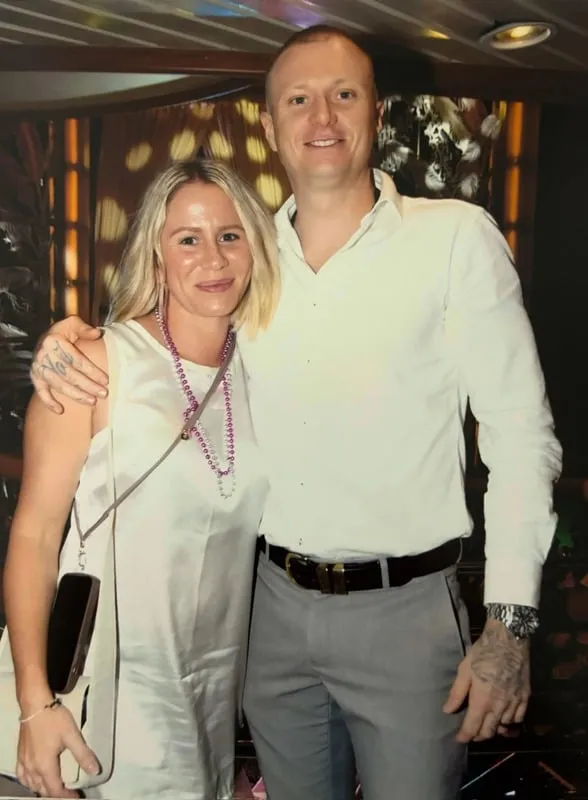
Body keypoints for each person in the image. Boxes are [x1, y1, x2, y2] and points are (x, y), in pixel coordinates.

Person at [28, 25, 562, 800]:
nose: (322, 116)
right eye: (298, 99)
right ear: (272, 126)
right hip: (268, 615)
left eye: (344, 94)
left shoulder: (453, 240)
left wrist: (509, 627)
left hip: (407, 618)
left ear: (376, 113)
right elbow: (165, 336)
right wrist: (67, 338)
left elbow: (521, 436)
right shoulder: (250, 262)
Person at [3, 158, 279, 799]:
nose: (212, 257)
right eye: (188, 238)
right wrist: (34, 704)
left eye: (230, 235)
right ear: (155, 253)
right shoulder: (94, 366)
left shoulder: (268, 370)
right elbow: (36, 536)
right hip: (107, 689)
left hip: (213, 696)